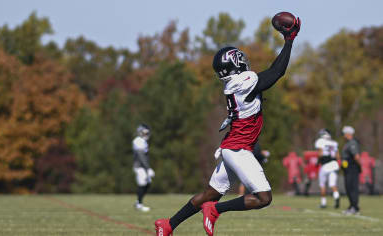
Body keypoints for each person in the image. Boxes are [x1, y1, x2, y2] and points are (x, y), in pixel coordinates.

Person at [155, 16, 301, 236]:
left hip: (232, 146)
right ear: (236, 64)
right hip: (238, 149)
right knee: (263, 197)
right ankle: (215, 210)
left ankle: (168, 225)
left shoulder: (233, 84)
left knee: (209, 194)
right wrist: (289, 40)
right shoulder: (243, 83)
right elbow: (276, 73)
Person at [315, 129, 340, 209]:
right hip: (334, 164)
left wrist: (317, 162)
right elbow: (338, 156)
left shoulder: (320, 141)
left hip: (325, 165)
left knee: (322, 184)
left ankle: (323, 203)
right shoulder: (334, 143)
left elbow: (320, 153)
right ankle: (336, 198)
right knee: (332, 184)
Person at [132, 124, 155, 212]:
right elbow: (141, 155)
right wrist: (147, 168)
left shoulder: (143, 141)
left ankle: (138, 201)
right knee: (142, 184)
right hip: (139, 167)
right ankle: (139, 204)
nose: (147, 134)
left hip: (143, 167)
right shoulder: (138, 141)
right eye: (145, 133)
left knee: (148, 183)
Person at [341, 125, 361, 215]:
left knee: (353, 188)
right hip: (347, 169)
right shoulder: (347, 143)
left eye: (344, 133)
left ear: (348, 134)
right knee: (348, 187)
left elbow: (356, 156)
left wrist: (359, 166)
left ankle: (355, 207)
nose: (343, 135)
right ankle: (351, 206)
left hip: (352, 168)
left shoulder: (352, 143)